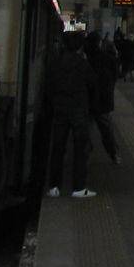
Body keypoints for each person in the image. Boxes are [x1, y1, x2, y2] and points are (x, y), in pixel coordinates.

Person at [45, 29, 95, 198]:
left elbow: (49, 86)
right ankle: (79, 187)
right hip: (78, 109)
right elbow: (92, 83)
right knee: (80, 148)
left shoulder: (55, 63)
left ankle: (53, 186)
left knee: (58, 147)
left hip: (60, 108)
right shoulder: (82, 63)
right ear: (79, 46)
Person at [85, 34, 120, 165]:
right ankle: (114, 154)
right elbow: (115, 76)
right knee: (107, 130)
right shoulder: (109, 59)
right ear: (100, 43)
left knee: (86, 130)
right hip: (103, 100)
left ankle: (85, 154)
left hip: (87, 100)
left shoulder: (86, 59)